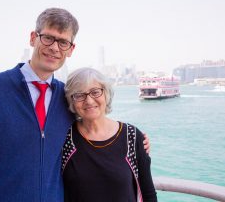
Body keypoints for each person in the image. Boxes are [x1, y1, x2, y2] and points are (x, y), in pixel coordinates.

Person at [0, 8, 150, 202]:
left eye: (63, 42)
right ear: (33, 38)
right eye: (48, 38)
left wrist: (136, 140)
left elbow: (93, 131)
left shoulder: (68, 97)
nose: (54, 47)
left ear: (71, 49)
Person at [62, 67, 157, 202]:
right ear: (72, 101)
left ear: (106, 94)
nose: (89, 101)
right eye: (79, 95)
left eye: (95, 92)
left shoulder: (132, 136)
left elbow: (148, 193)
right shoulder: (65, 138)